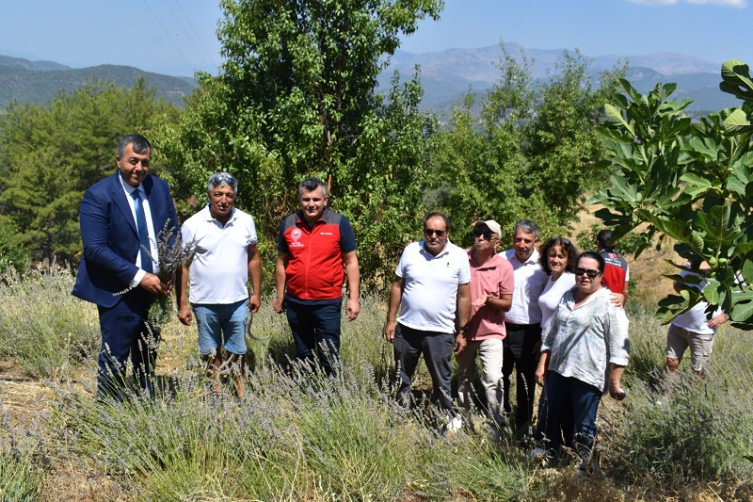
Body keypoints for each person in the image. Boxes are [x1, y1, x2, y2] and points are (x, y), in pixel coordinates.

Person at [72, 134, 179, 399]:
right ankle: (108, 414)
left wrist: (169, 270)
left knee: (147, 353)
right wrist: (140, 277)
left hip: (156, 289)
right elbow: (95, 249)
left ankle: (144, 406)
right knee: (115, 356)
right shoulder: (98, 195)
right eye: (133, 161)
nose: (139, 168)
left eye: (145, 162)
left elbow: (173, 233)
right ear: (118, 160)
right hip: (117, 291)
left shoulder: (159, 188)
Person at [535, 251, 629, 470]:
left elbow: (620, 345)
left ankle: (585, 466)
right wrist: (542, 363)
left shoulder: (609, 303)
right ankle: (549, 454)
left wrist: (615, 381)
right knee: (549, 413)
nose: (584, 276)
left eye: (591, 272)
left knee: (583, 424)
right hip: (558, 369)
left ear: (601, 275)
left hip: (588, 374)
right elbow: (551, 333)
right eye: (580, 271)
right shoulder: (568, 296)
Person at [176, 172, 262, 399]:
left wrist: (256, 293)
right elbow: (183, 266)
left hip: (238, 300)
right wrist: (182, 304)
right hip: (204, 302)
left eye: (229, 195)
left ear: (235, 197)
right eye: (218, 194)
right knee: (210, 349)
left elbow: (254, 258)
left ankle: (240, 392)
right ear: (209, 194)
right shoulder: (192, 225)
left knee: (238, 349)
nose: (224, 200)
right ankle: (216, 392)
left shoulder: (245, 221)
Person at [385, 212, 471, 420]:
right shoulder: (411, 251)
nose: (433, 236)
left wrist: (462, 331)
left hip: (440, 332)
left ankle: (442, 420)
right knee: (401, 377)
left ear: (447, 233)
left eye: (439, 232)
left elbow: (464, 296)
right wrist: (390, 320)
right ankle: (399, 417)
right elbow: (397, 286)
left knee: (441, 381)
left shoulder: (459, 256)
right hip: (407, 329)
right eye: (428, 231)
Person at [273, 177, 360, 374]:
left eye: (316, 199)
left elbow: (351, 262)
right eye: (306, 199)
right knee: (303, 354)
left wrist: (353, 299)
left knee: (328, 353)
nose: (311, 204)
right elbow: (281, 262)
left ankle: (330, 396)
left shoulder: (339, 223)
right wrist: (280, 296)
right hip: (296, 302)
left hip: (327, 302)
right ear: (299, 200)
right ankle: (306, 392)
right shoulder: (289, 224)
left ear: (325, 200)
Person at [456, 220, 513, 427]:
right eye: (478, 233)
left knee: (493, 378)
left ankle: (496, 423)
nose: (480, 237)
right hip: (464, 331)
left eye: (487, 235)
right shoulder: (462, 258)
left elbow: (507, 303)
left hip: (492, 332)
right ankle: (463, 417)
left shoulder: (503, 266)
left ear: (497, 242)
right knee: (464, 377)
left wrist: (488, 300)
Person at [499, 219, 548, 431]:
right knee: (498, 375)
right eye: (518, 239)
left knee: (525, 381)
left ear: (535, 241)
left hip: (530, 332)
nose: (522, 244)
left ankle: (523, 424)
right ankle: (500, 416)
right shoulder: (501, 259)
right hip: (500, 329)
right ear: (512, 239)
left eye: (527, 241)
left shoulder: (543, 266)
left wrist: (543, 338)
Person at [666, 261, 727, 376]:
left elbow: (738, 296)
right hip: (679, 324)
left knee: (698, 369)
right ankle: (666, 393)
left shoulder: (726, 272)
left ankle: (696, 393)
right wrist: (680, 286)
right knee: (671, 362)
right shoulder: (689, 266)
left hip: (703, 329)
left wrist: (725, 315)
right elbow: (678, 285)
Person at [597, 229, 630, 303]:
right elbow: (625, 292)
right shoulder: (624, 263)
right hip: (615, 306)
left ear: (598, 243)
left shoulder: (595, 259)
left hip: (597, 304)